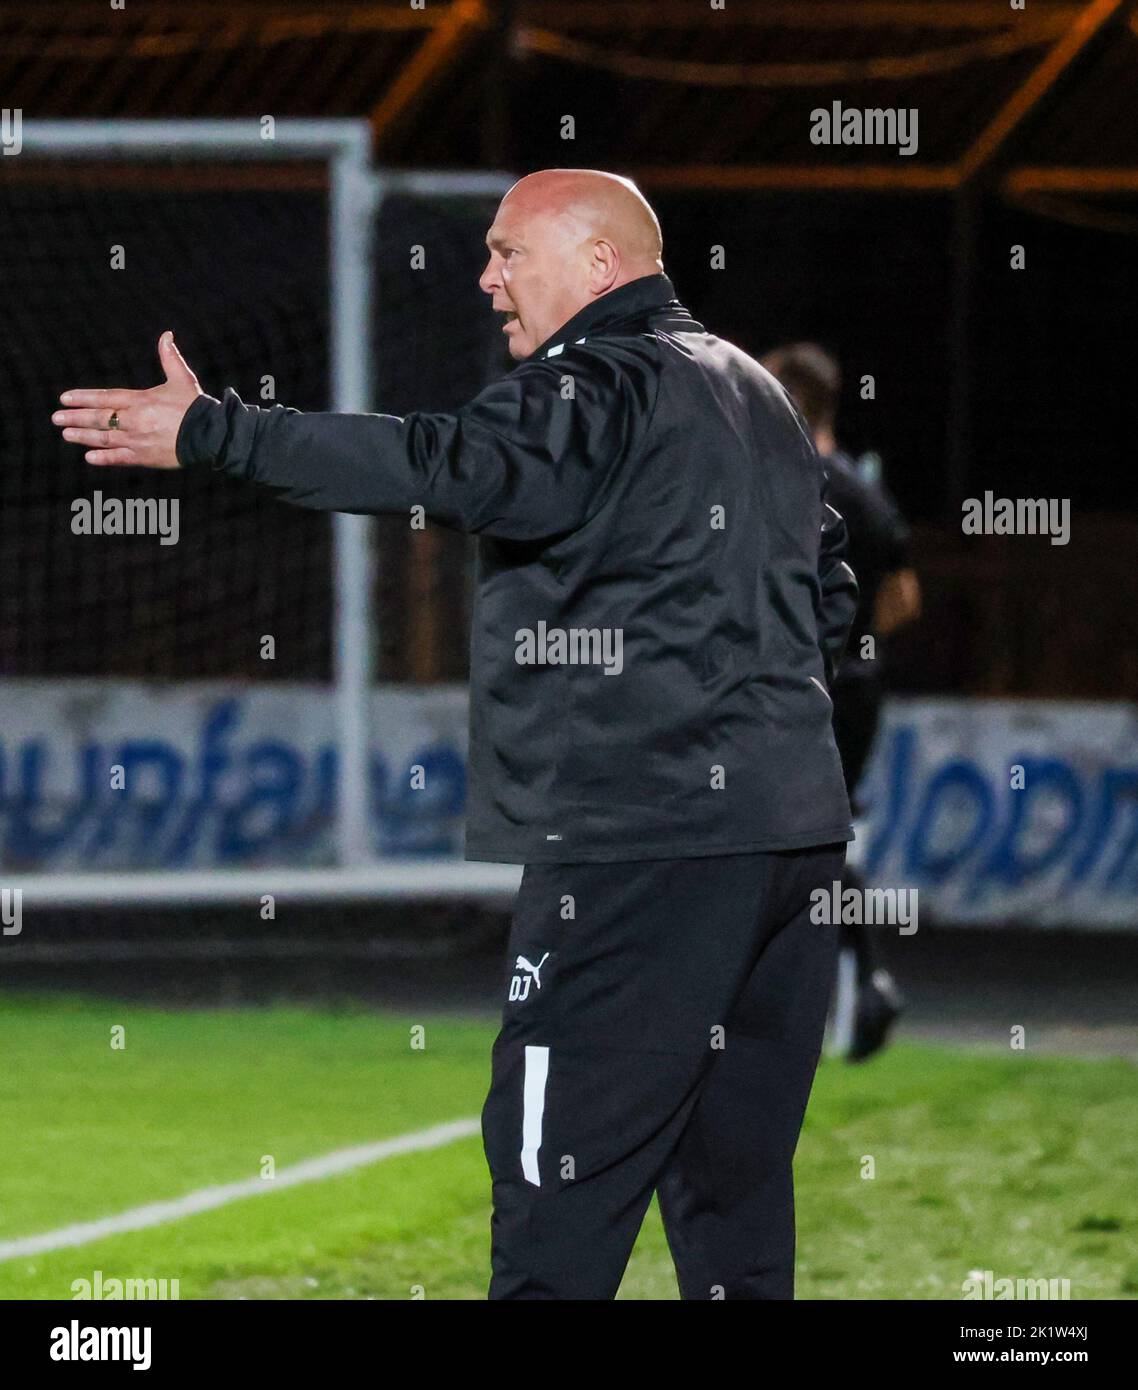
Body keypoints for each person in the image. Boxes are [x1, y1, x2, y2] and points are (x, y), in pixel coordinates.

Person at [53, 169, 858, 1300]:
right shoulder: (753, 390)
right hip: (790, 844)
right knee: (731, 1204)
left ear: (596, 263)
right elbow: (831, 594)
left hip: (639, 847)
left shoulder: (599, 379)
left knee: (553, 1191)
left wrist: (217, 434)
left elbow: (444, 466)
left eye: (506, 253)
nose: (484, 278)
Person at [761, 343, 921, 1062]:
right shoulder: (865, 489)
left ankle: (854, 979)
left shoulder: (783, 479)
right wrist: (857, 638)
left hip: (803, 687)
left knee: (790, 838)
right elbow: (904, 598)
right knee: (814, 839)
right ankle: (862, 983)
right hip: (861, 687)